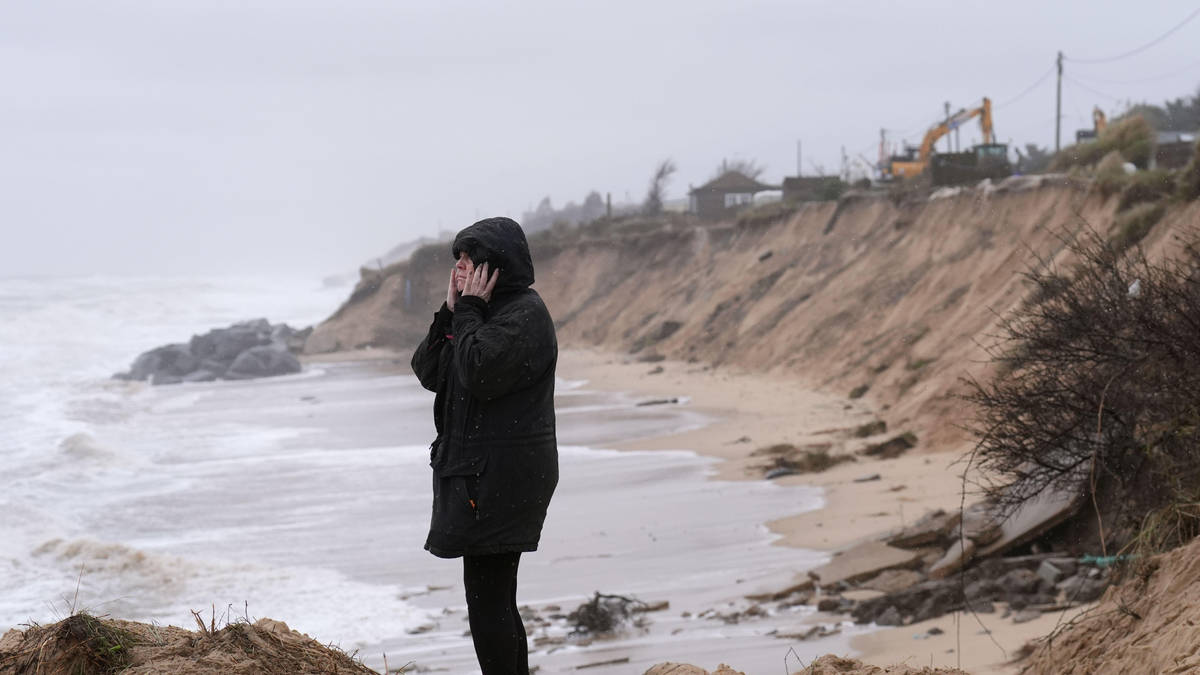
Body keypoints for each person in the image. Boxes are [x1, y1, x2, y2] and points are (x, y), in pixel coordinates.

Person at [410, 217, 558, 675]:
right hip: (482, 471)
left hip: (503, 476)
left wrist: (470, 310)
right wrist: (450, 311)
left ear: (495, 267)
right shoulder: (479, 313)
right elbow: (430, 372)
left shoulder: (524, 315)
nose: (458, 267)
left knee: (488, 598)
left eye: (468, 260)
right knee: (493, 596)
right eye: (456, 259)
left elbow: (479, 371)